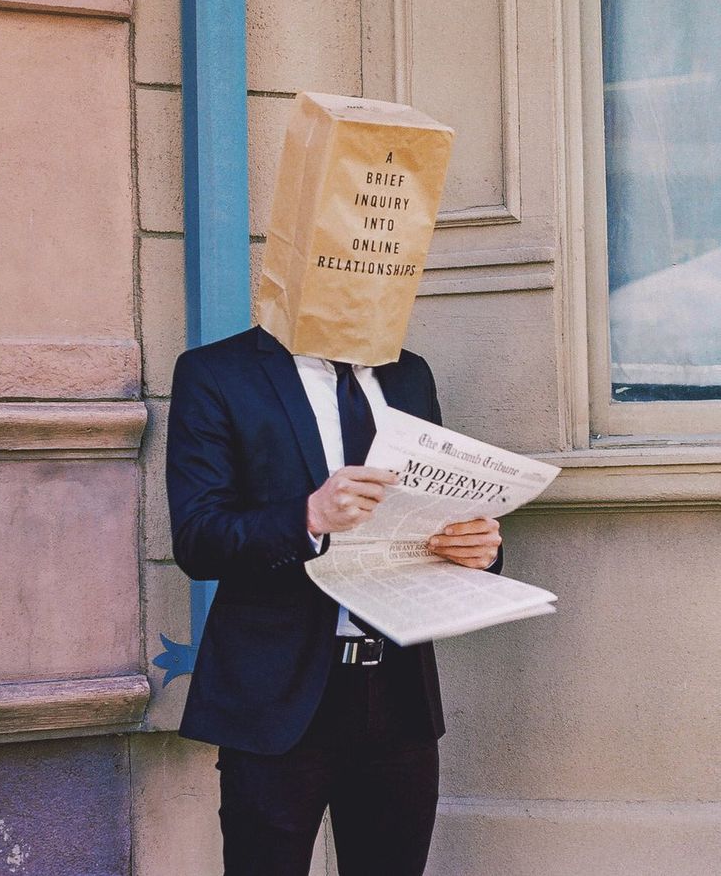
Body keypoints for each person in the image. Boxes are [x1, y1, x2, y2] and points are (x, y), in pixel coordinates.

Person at [166, 324, 502, 876]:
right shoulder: (216, 372)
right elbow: (199, 540)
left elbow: (434, 515)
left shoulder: (408, 373)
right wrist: (309, 517)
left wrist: (476, 549)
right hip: (276, 697)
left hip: (399, 694)